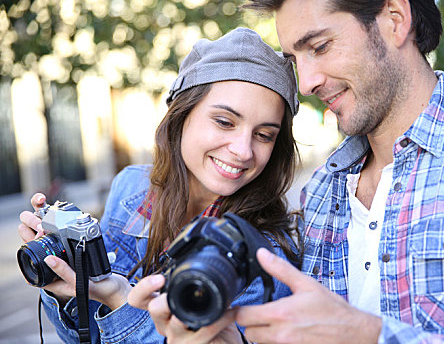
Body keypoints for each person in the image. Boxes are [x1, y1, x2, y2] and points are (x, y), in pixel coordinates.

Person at [231, 0, 444, 342]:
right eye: (295, 60)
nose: (306, 82)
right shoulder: (321, 190)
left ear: (395, 19)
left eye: (321, 47)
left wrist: (369, 335)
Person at [17, 27, 302, 343]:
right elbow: (88, 338)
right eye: (224, 122)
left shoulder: (264, 254)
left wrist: (119, 300)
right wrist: (65, 286)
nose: (243, 150)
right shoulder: (131, 187)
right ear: (182, 116)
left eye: (264, 135)